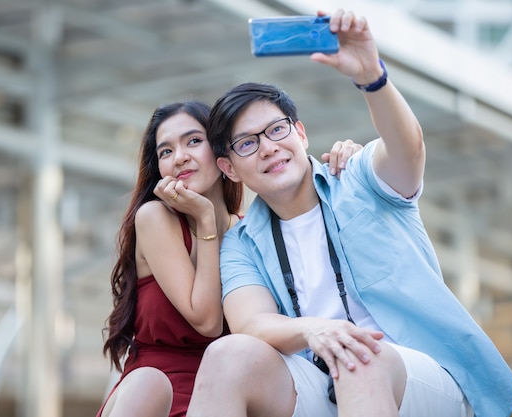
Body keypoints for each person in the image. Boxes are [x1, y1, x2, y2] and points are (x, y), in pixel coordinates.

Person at [186, 9, 512, 417]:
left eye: (277, 130)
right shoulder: (242, 242)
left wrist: (371, 77)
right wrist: (314, 329)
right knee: (228, 354)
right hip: (320, 374)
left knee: (358, 357)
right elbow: (252, 323)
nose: (268, 147)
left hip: (421, 376)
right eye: (247, 143)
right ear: (228, 168)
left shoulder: (357, 177)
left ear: (301, 133)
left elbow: (407, 148)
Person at [97, 100, 361, 417]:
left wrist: (352, 163)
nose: (179, 157)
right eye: (165, 152)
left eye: (194, 141)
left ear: (224, 157)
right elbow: (207, 321)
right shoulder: (155, 218)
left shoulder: (251, 234)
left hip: (238, 395)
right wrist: (206, 220)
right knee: (147, 383)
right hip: (157, 397)